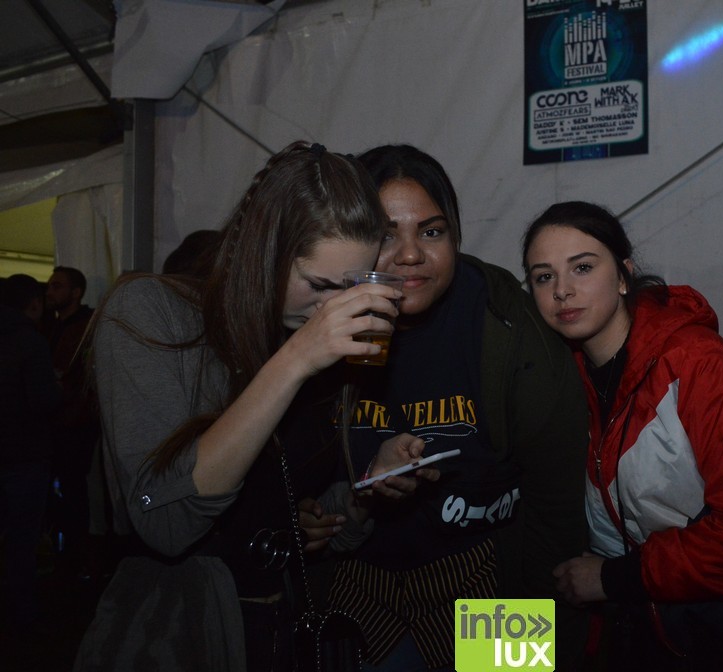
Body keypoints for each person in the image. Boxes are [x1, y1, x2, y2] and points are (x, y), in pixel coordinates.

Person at [73, 141, 433, 672]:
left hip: (309, 624)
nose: (332, 307)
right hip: (184, 637)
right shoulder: (152, 312)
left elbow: (295, 509)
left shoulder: (315, 342)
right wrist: (296, 360)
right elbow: (162, 518)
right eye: (319, 285)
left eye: (349, 287)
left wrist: (362, 492)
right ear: (264, 252)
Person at [521, 201, 723, 671]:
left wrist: (614, 578)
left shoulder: (697, 364)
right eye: (544, 277)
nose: (562, 290)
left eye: (582, 267)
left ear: (624, 276)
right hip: (650, 613)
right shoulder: (563, 373)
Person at [313, 145, 589, 672]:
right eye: (385, 234)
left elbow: (556, 502)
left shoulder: (507, 323)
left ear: (456, 236)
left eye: (432, 232)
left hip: (487, 580)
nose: (410, 255)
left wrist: (544, 636)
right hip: (358, 584)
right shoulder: (319, 323)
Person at [0, 275, 61, 632]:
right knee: (22, 537)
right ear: (33, 303)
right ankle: (22, 612)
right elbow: (43, 400)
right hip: (24, 453)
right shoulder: (30, 341)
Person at [45, 265, 101, 575]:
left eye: (57, 286)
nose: (50, 292)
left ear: (75, 293)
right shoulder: (55, 326)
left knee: (73, 488)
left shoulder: (82, 328)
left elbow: (75, 378)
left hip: (74, 423)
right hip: (59, 421)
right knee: (64, 489)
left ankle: (75, 555)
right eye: (50, 286)